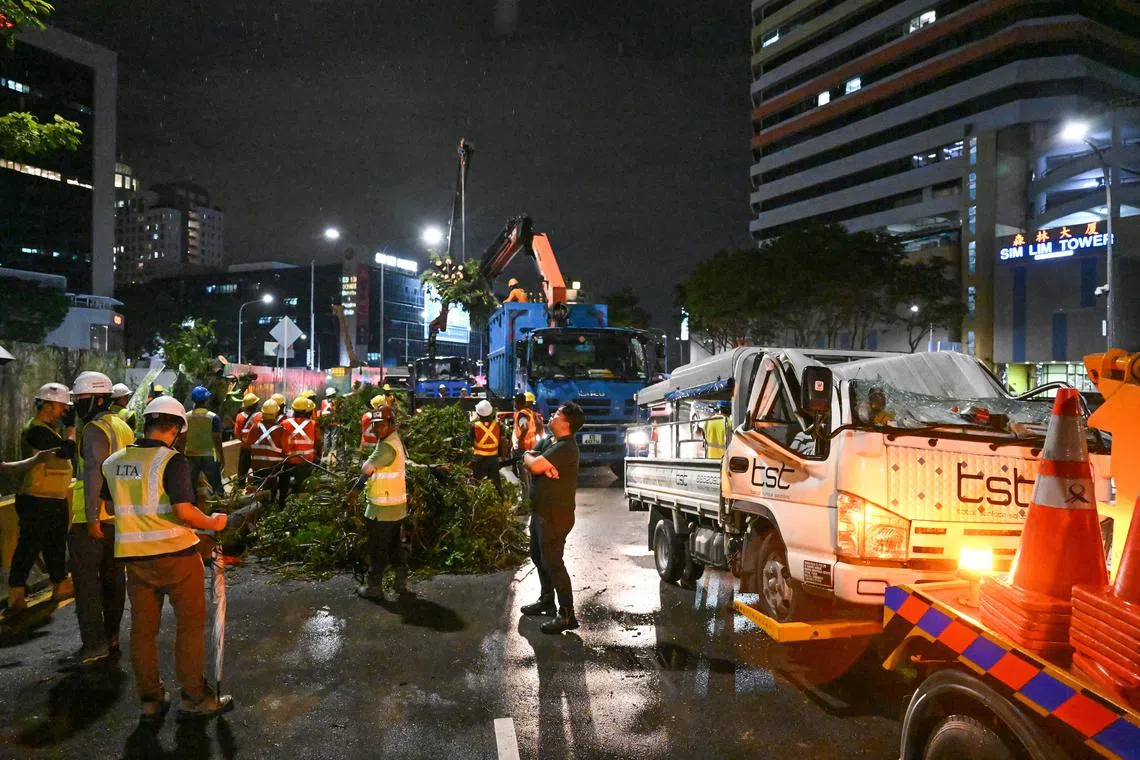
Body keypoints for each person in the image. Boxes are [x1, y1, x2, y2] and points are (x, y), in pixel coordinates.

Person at [100, 396, 233, 722]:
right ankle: (193, 698)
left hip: (136, 561)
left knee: (143, 631)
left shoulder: (113, 462)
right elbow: (183, 510)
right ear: (175, 428)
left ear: (146, 423)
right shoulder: (172, 461)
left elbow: (111, 509)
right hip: (176, 557)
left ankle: (150, 700)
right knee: (189, 627)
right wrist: (214, 522)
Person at [65, 371, 136, 667]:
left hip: (89, 519)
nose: (78, 406)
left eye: (81, 400)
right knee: (113, 579)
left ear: (97, 398)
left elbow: (94, 471)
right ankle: (112, 637)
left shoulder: (94, 429)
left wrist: (93, 516)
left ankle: (94, 645)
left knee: (87, 585)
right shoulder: (122, 426)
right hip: (118, 517)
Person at [8, 382, 75, 614]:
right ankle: (16, 593)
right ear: (47, 404)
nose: (64, 411)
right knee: (29, 545)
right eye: (61, 406)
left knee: (55, 544)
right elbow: (65, 451)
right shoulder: (35, 430)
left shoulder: (48, 429)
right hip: (36, 497)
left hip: (52, 497)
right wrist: (72, 431)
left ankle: (60, 584)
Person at [520, 403, 585, 634]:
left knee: (553, 563)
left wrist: (537, 464)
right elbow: (528, 456)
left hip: (556, 515)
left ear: (567, 422)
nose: (552, 415)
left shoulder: (567, 448)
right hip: (540, 512)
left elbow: (535, 464)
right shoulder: (550, 441)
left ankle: (567, 614)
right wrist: (533, 460)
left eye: (557, 414)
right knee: (538, 557)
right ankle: (547, 599)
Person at [347, 405, 409, 600]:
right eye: (374, 425)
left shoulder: (386, 446)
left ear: (391, 424)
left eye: (380, 425)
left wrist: (354, 491)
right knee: (393, 546)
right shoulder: (394, 441)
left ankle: (374, 588)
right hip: (395, 506)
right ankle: (400, 582)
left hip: (383, 508)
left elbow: (367, 469)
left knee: (377, 548)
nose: (375, 429)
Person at [279, 396, 320, 509]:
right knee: (302, 489)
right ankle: (300, 510)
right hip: (305, 462)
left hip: (287, 460)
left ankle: (281, 506)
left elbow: (280, 442)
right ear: (307, 411)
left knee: (283, 487)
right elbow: (318, 443)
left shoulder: (284, 423)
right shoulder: (313, 424)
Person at [184, 386, 225, 497]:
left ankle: (191, 509)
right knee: (217, 487)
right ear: (206, 400)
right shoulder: (213, 417)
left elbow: (182, 438)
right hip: (209, 456)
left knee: (190, 488)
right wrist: (221, 456)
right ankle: (221, 509)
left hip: (190, 455)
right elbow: (217, 439)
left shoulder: (186, 417)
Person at [245, 398, 286, 505]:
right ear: (276, 413)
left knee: (259, 486)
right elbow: (285, 449)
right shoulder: (280, 429)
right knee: (271, 488)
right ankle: (269, 506)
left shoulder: (254, 426)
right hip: (272, 466)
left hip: (256, 465)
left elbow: (248, 445)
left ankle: (257, 506)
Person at [471, 400, 505, 498]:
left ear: (478, 413)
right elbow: (503, 441)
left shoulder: (474, 426)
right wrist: (502, 457)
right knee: (496, 483)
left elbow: (471, 442)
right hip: (493, 458)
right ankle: (502, 501)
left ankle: (478, 503)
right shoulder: (498, 425)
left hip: (479, 459)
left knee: (477, 483)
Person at [233, 392, 259, 482]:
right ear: (255, 404)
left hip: (245, 448)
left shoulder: (239, 416)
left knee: (242, 473)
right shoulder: (260, 416)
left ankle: (240, 488)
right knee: (257, 474)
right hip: (257, 449)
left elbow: (237, 433)